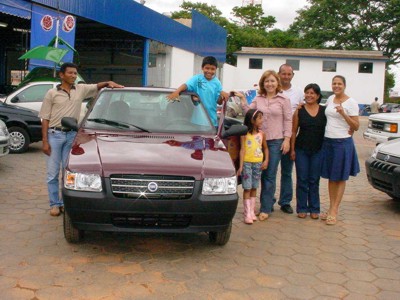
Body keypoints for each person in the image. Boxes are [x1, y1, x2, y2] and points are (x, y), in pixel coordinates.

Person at [39, 62, 124, 217]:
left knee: (68, 172)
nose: (73, 76)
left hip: (72, 135)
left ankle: (65, 203)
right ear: (61, 75)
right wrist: (45, 141)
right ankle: (54, 204)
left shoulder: (80, 89)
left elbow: (97, 86)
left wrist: (108, 83)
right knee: (52, 173)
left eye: (75, 73)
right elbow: (45, 118)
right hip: (54, 135)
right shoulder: (52, 93)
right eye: (70, 73)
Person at [237, 70, 292, 221]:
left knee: (269, 174)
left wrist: (287, 139)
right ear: (263, 83)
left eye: (273, 81)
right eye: (267, 81)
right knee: (255, 173)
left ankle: (266, 207)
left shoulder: (284, 99)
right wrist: (243, 99)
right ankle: (250, 207)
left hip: (275, 141)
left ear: (277, 83)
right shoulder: (258, 98)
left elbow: (288, 120)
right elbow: (250, 113)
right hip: (257, 140)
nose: (270, 84)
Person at [320, 75, 360, 225]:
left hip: (342, 142)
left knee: (340, 177)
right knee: (331, 177)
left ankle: (334, 210)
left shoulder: (351, 102)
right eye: (334, 83)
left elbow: (356, 126)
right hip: (328, 141)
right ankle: (330, 207)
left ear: (344, 85)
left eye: (339, 84)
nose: (336, 86)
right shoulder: (330, 99)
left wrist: (343, 113)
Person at [290, 84, 327, 219]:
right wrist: (292, 149)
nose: (309, 95)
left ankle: (315, 208)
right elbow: (294, 131)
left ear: (318, 96)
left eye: (312, 93)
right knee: (302, 179)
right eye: (307, 93)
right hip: (301, 150)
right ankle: (301, 208)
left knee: (314, 180)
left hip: (318, 150)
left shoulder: (324, 111)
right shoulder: (299, 110)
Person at [167, 56, 228, 127]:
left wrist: (222, 95)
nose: (209, 71)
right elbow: (186, 85)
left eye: (212, 69)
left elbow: (219, 101)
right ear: (202, 68)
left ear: (216, 70)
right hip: (197, 121)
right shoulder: (197, 79)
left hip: (211, 121)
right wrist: (177, 92)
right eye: (207, 68)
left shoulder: (217, 83)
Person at [277, 64, 304, 214]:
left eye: (289, 74)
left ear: (292, 75)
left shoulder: (298, 92)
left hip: (290, 137)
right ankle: (268, 200)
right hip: (272, 137)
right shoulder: (272, 88)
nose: (286, 77)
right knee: (270, 172)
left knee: (287, 172)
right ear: (278, 74)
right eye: (283, 74)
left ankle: (285, 201)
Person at [237, 109, 269, 224]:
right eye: (259, 118)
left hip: (258, 163)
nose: (262, 120)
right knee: (247, 187)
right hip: (247, 163)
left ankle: (252, 211)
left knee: (254, 186)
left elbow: (265, 148)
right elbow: (242, 149)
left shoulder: (262, 134)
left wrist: (266, 160)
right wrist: (240, 166)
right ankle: (247, 213)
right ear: (252, 120)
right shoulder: (244, 134)